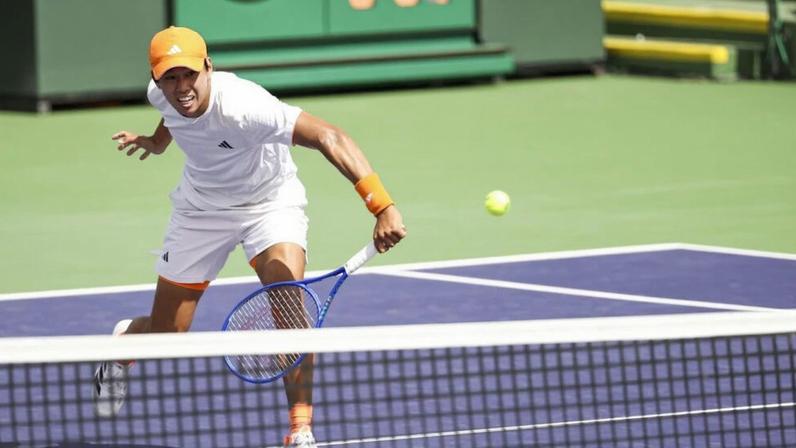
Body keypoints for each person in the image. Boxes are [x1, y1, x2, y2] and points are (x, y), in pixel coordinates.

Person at [92, 26, 407, 448]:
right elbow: (173, 118)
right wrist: (157, 141)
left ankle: (300, 429)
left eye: (189, 75)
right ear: (156, 79)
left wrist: (382, 205)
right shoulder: (162, 95)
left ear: (208, 66)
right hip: (201, 210)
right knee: (169, 334)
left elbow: (331, 136)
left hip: (270, 204)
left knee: (287, 297)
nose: (181, 87)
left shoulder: (246, 106)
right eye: (170, 78)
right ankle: (123, 345)